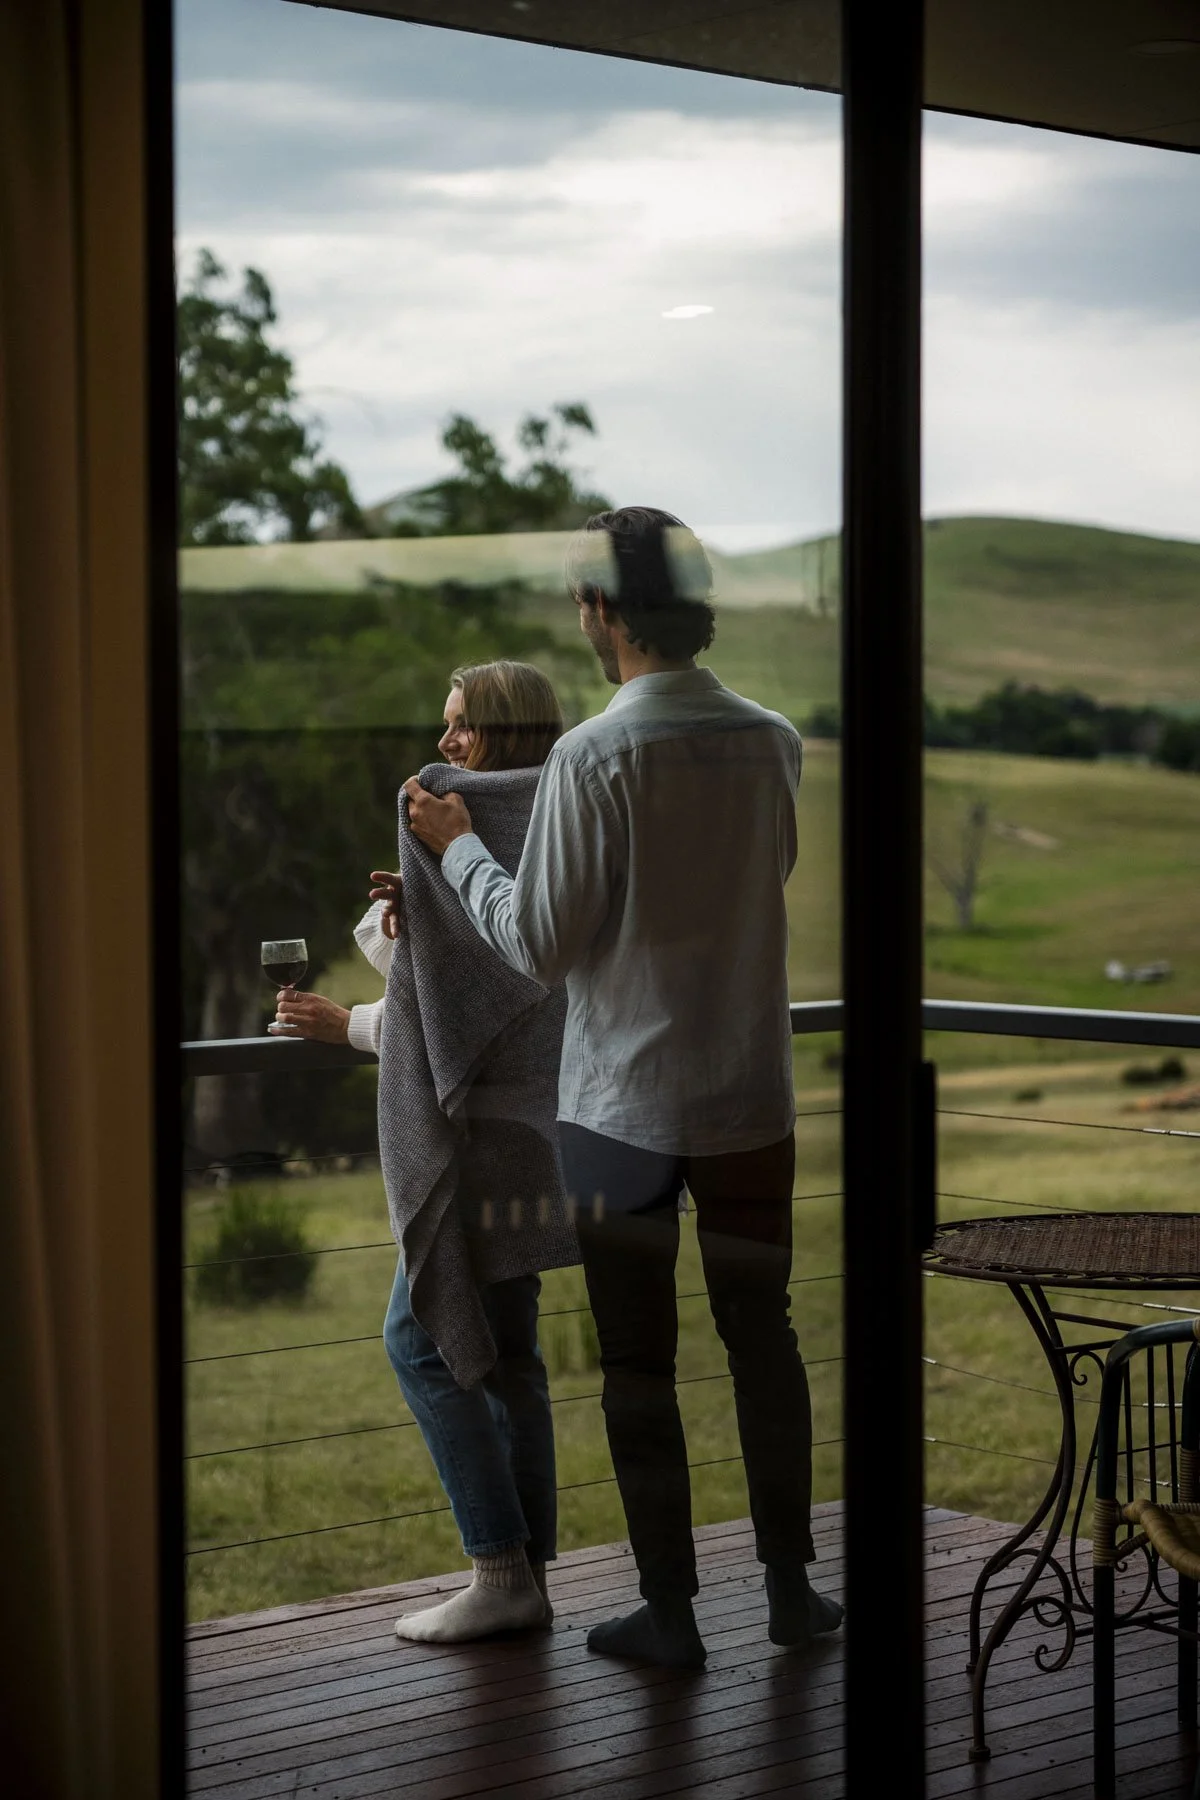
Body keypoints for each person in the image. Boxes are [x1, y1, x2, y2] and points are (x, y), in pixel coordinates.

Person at [403, 506, 843, 1670]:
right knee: (767, 1340)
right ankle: (795, 1593)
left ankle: (674, 1615)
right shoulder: (774, 740)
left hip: (622, 1114)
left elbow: (538, 943)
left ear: (603, 610)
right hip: (752, 1096)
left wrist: (458, 847)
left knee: (640, 1365)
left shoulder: (595, 754)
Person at [276, 660, 579, 1644]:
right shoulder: (565, 820)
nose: (445, 746)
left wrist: (351, 1021)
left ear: (503, 730)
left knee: (420, 1339)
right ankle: (528, 1568)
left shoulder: (457, 815)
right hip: (545, 1130)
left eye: (462, 726)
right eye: (444, 726)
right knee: (515, 1355)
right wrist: (419, 927)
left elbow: (445, 1023)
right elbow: (503, 987)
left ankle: (499, 1571)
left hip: (483, 1138)